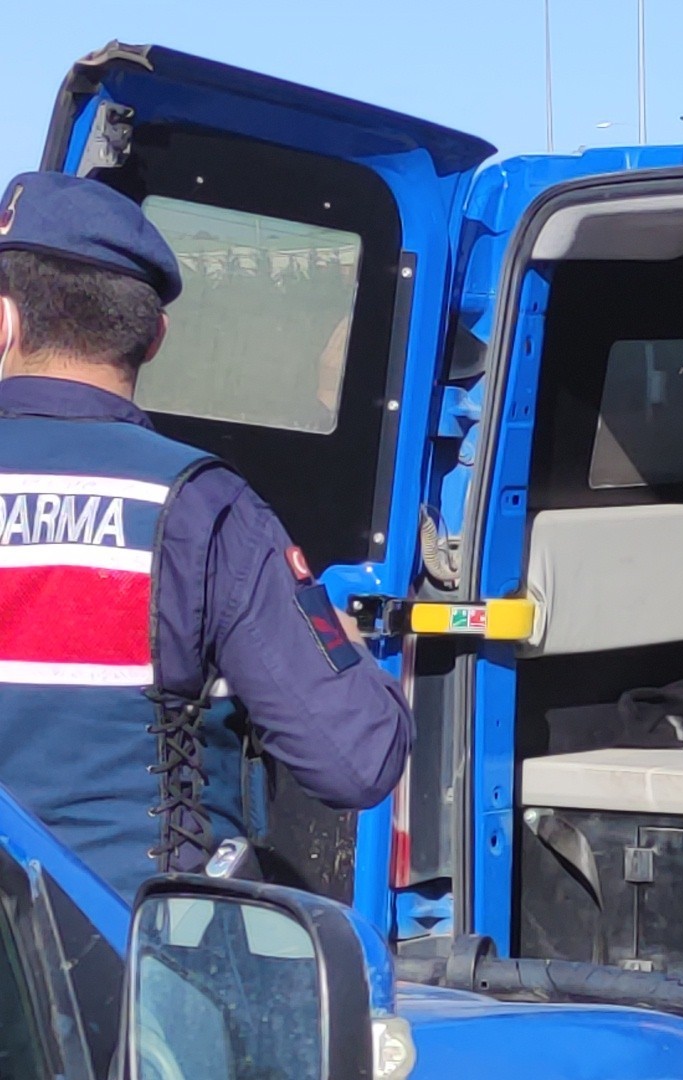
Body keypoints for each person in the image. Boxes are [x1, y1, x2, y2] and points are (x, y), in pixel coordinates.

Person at [0, 171, 414, 899]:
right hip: (135, 978)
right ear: (156, 338)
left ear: (3, 321)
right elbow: (358, 759)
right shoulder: (202, 506)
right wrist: (340, 645)